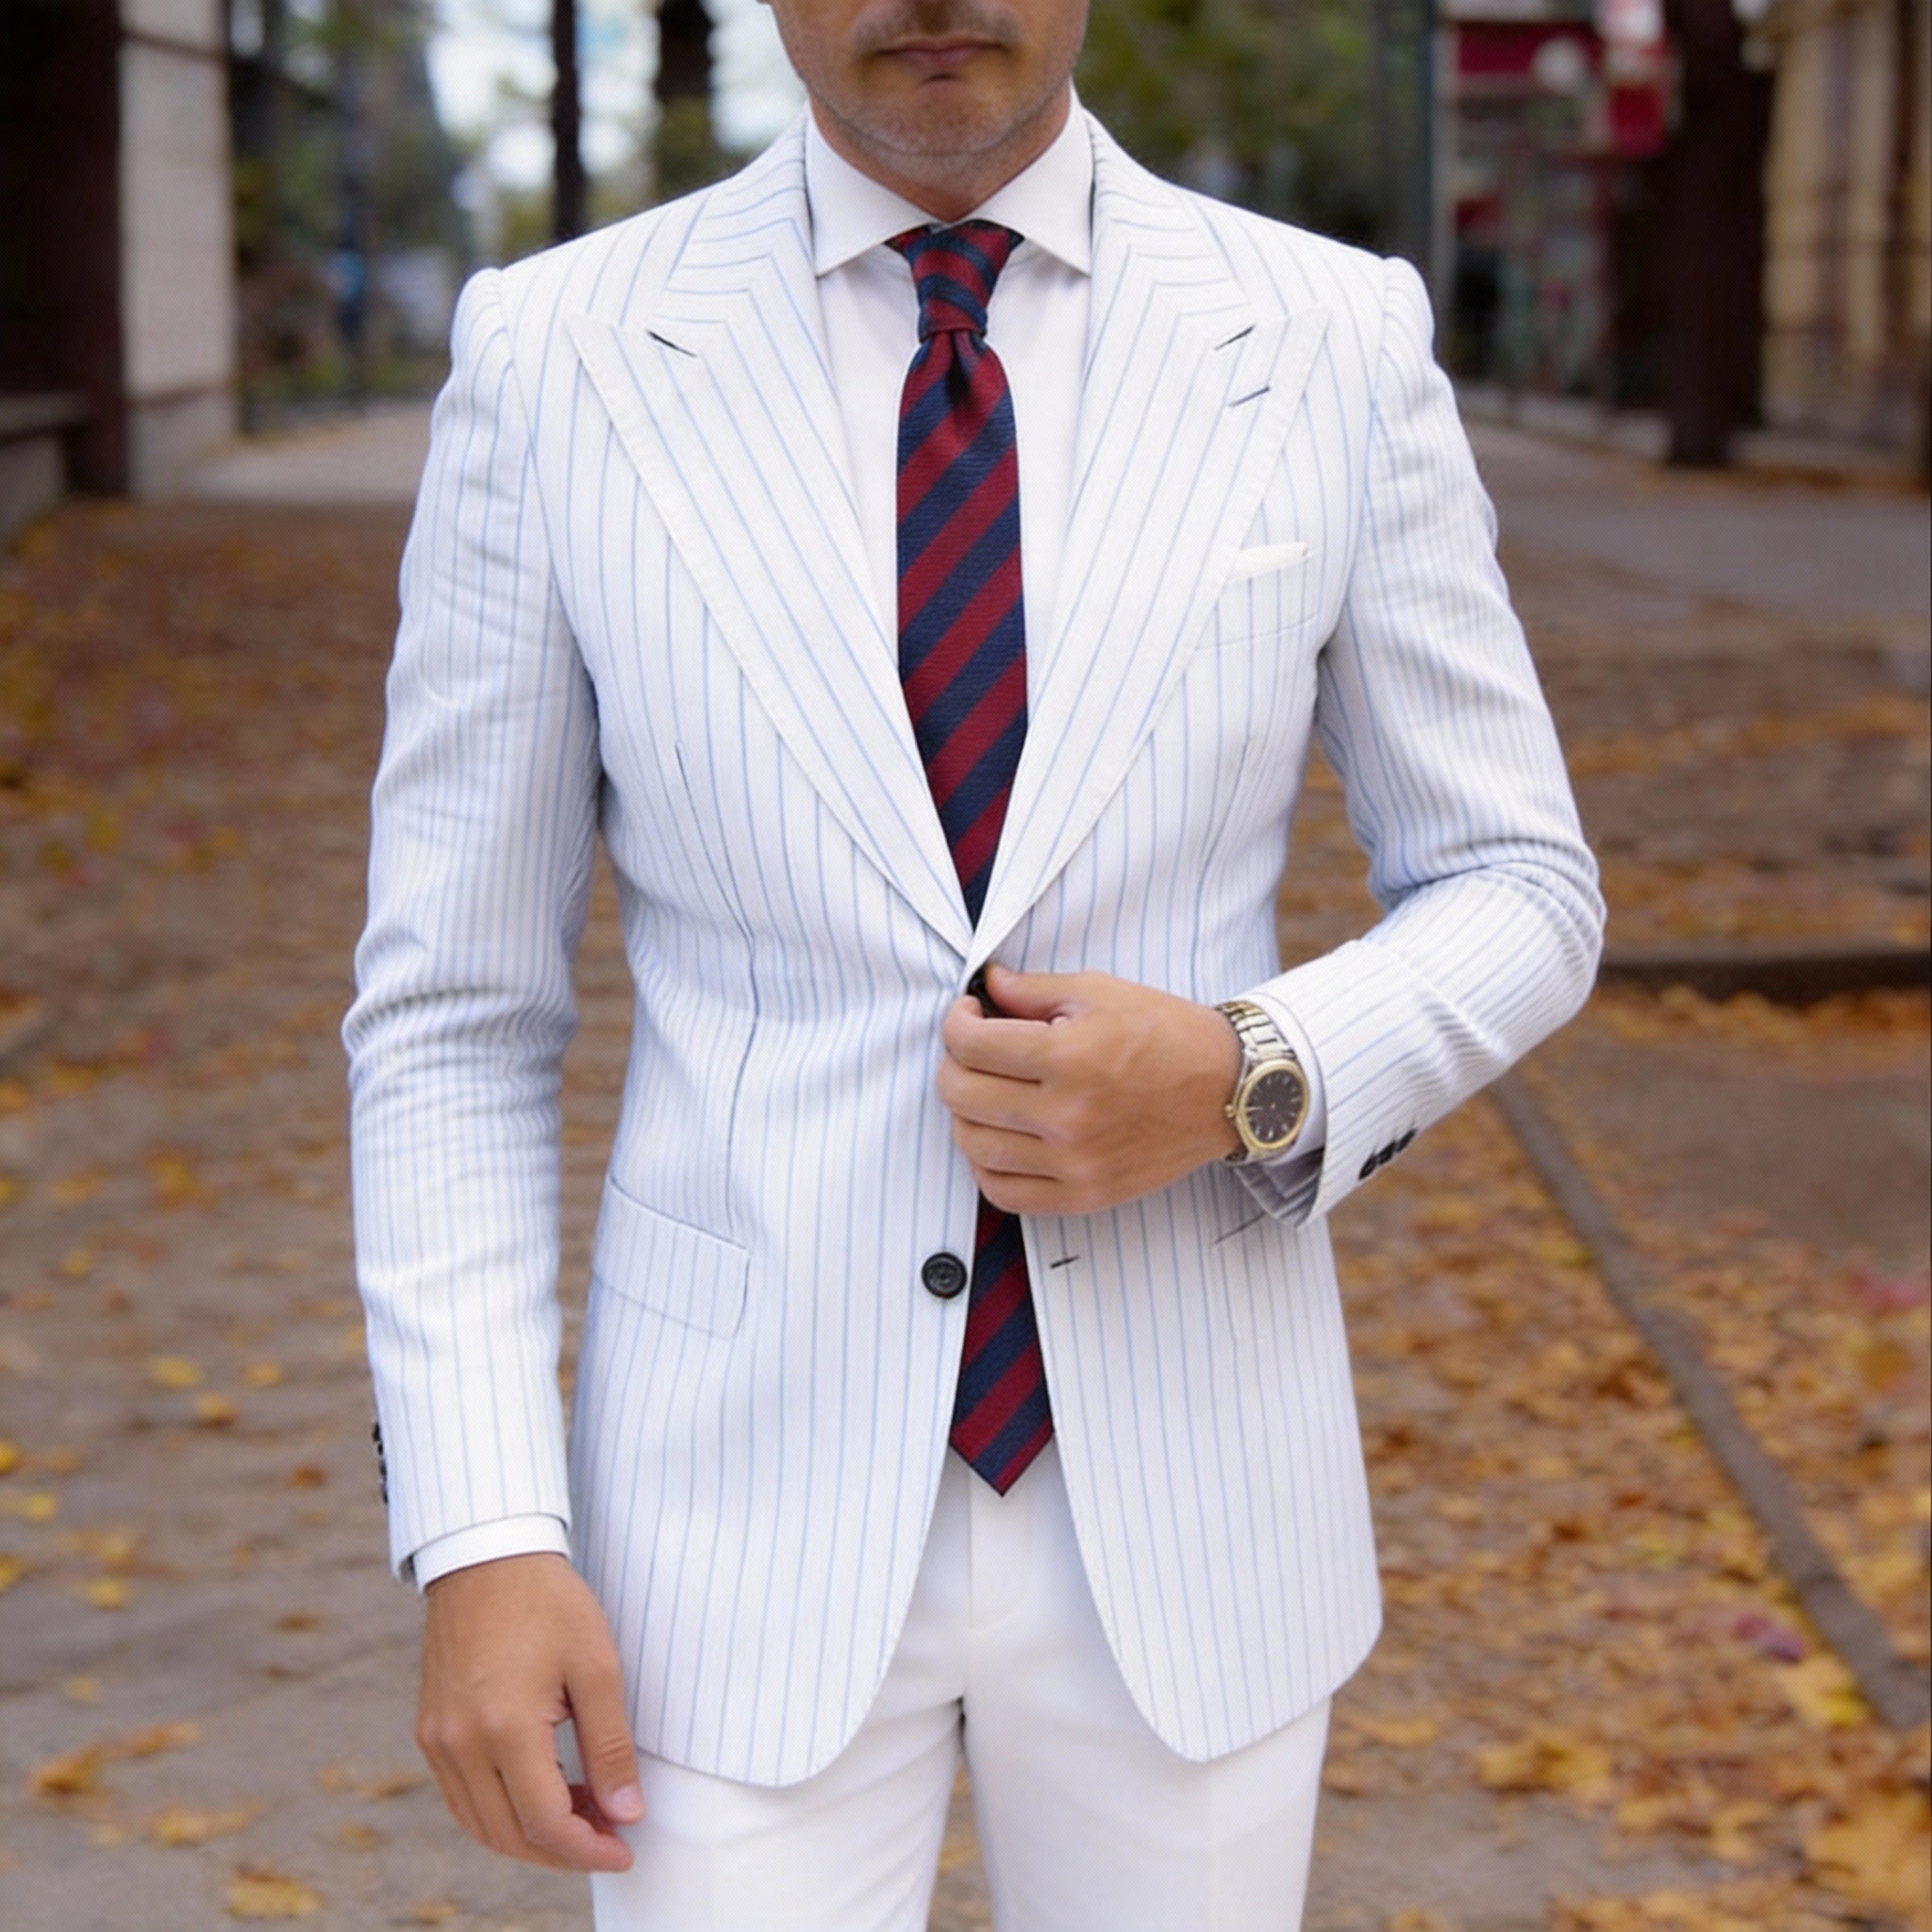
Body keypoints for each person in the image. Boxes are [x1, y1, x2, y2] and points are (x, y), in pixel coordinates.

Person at [342, 2, 1603, 1924]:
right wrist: (482, 1526)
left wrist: (1257, 1067)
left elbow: (1518, 876)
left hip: (1191, 1502)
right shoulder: (559, 355)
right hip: (720, 1519)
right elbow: (453, 1006)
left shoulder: (1331, 335)